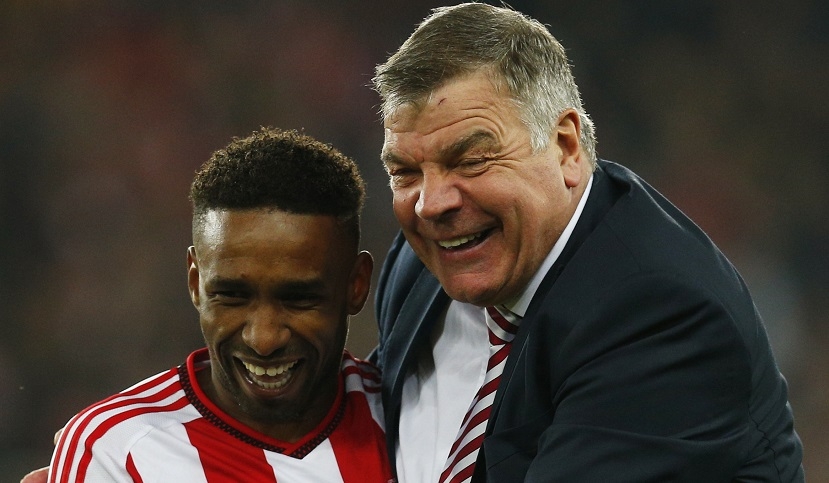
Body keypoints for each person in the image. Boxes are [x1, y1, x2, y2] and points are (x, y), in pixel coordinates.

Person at [369, 3, 804, 483]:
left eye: (471, 160)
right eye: (405, 172)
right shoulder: (421, 264)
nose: (430, 205)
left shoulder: (660, 316)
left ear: (566, 147)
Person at [25, 127, 393, 482]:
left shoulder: (408, 418)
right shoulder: (117, 453)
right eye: (231, 296)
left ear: (356, 285)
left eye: (299, 299)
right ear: (195, 282)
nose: (263, 339)